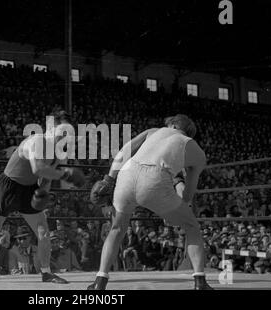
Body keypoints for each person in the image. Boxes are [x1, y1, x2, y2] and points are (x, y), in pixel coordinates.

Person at [89, 114, 213, 290]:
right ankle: (200, 282)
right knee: (191, 226)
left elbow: (124, 152)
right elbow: (188, 193)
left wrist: (109, 179)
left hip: (127, 174)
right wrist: (177, 208)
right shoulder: (198, 153)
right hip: (156, 180)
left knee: (116, 229)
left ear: (172, 125)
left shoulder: (153, 132)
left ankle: (99, 282)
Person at [0, 111, 86, 284]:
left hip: (29, 189)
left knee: (43, 232)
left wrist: (43, 192)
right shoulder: (36, 141)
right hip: (8, 187)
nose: (66, 137)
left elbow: (46, 177)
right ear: (52, 130)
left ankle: (46, 273)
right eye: (63, 132)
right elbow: (37, 168)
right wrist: (66, 175)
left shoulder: (59, 152)